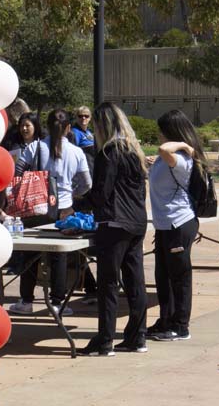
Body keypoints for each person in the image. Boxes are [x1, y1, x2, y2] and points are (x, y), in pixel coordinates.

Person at [77, 103, 149, 356]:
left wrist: (75, 205)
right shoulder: (134, 151)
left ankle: (105, 339)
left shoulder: (109, 153)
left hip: (115, 222)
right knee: (135, 281)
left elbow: (101, 193)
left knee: (108, 284)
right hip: (137, 221)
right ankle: (137, 336)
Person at [8, 109, 92, 316]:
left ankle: (26, 300)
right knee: (59, 257)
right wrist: (72, 193)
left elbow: (17, 173)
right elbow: (86, 184)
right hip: (64, 209)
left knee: (30, 255)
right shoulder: (76, 152)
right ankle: (57, 303)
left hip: (36, 208)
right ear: (68, 128)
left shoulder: (35, 147)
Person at [147, 109, 206, 342]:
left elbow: (164, 150)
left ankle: (181, 326)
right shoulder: (167, 157)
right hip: (164, 225)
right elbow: (160, 155)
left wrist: (182, 145)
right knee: (163, 276)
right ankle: (166, 319)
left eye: (162, 131)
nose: (159, 136)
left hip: (178, 223)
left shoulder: (181, 158)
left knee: (179, 277)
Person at [71, 105, 96, 173]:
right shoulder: (74, 132)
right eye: (80, 116)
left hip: (92, 166)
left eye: (86, 116)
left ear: (90, 118)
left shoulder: (88, 132)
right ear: (76, 117)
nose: (83, 118)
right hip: (84, 169)